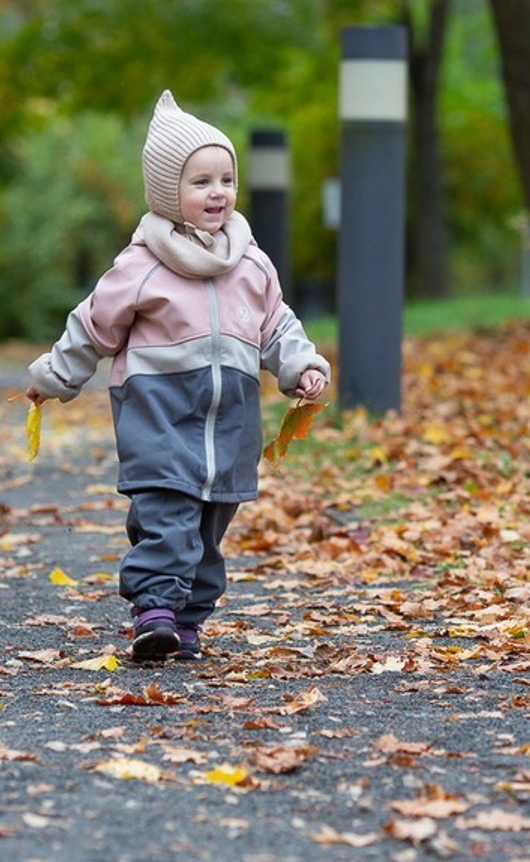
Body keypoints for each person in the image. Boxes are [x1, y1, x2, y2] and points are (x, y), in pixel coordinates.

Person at [27, 91, 330, 664]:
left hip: (229, 428)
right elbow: (92, 325)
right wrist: (55, 376)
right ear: (170, 193)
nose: (217, 193)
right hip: (158, 416)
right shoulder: (140, 266)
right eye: (200, 182)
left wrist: (302, 366)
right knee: (167, 518)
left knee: (207, 533)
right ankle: (154, 610)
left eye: (225, 179)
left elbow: (277, 326)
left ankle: (186, 619)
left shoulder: (251, 263)